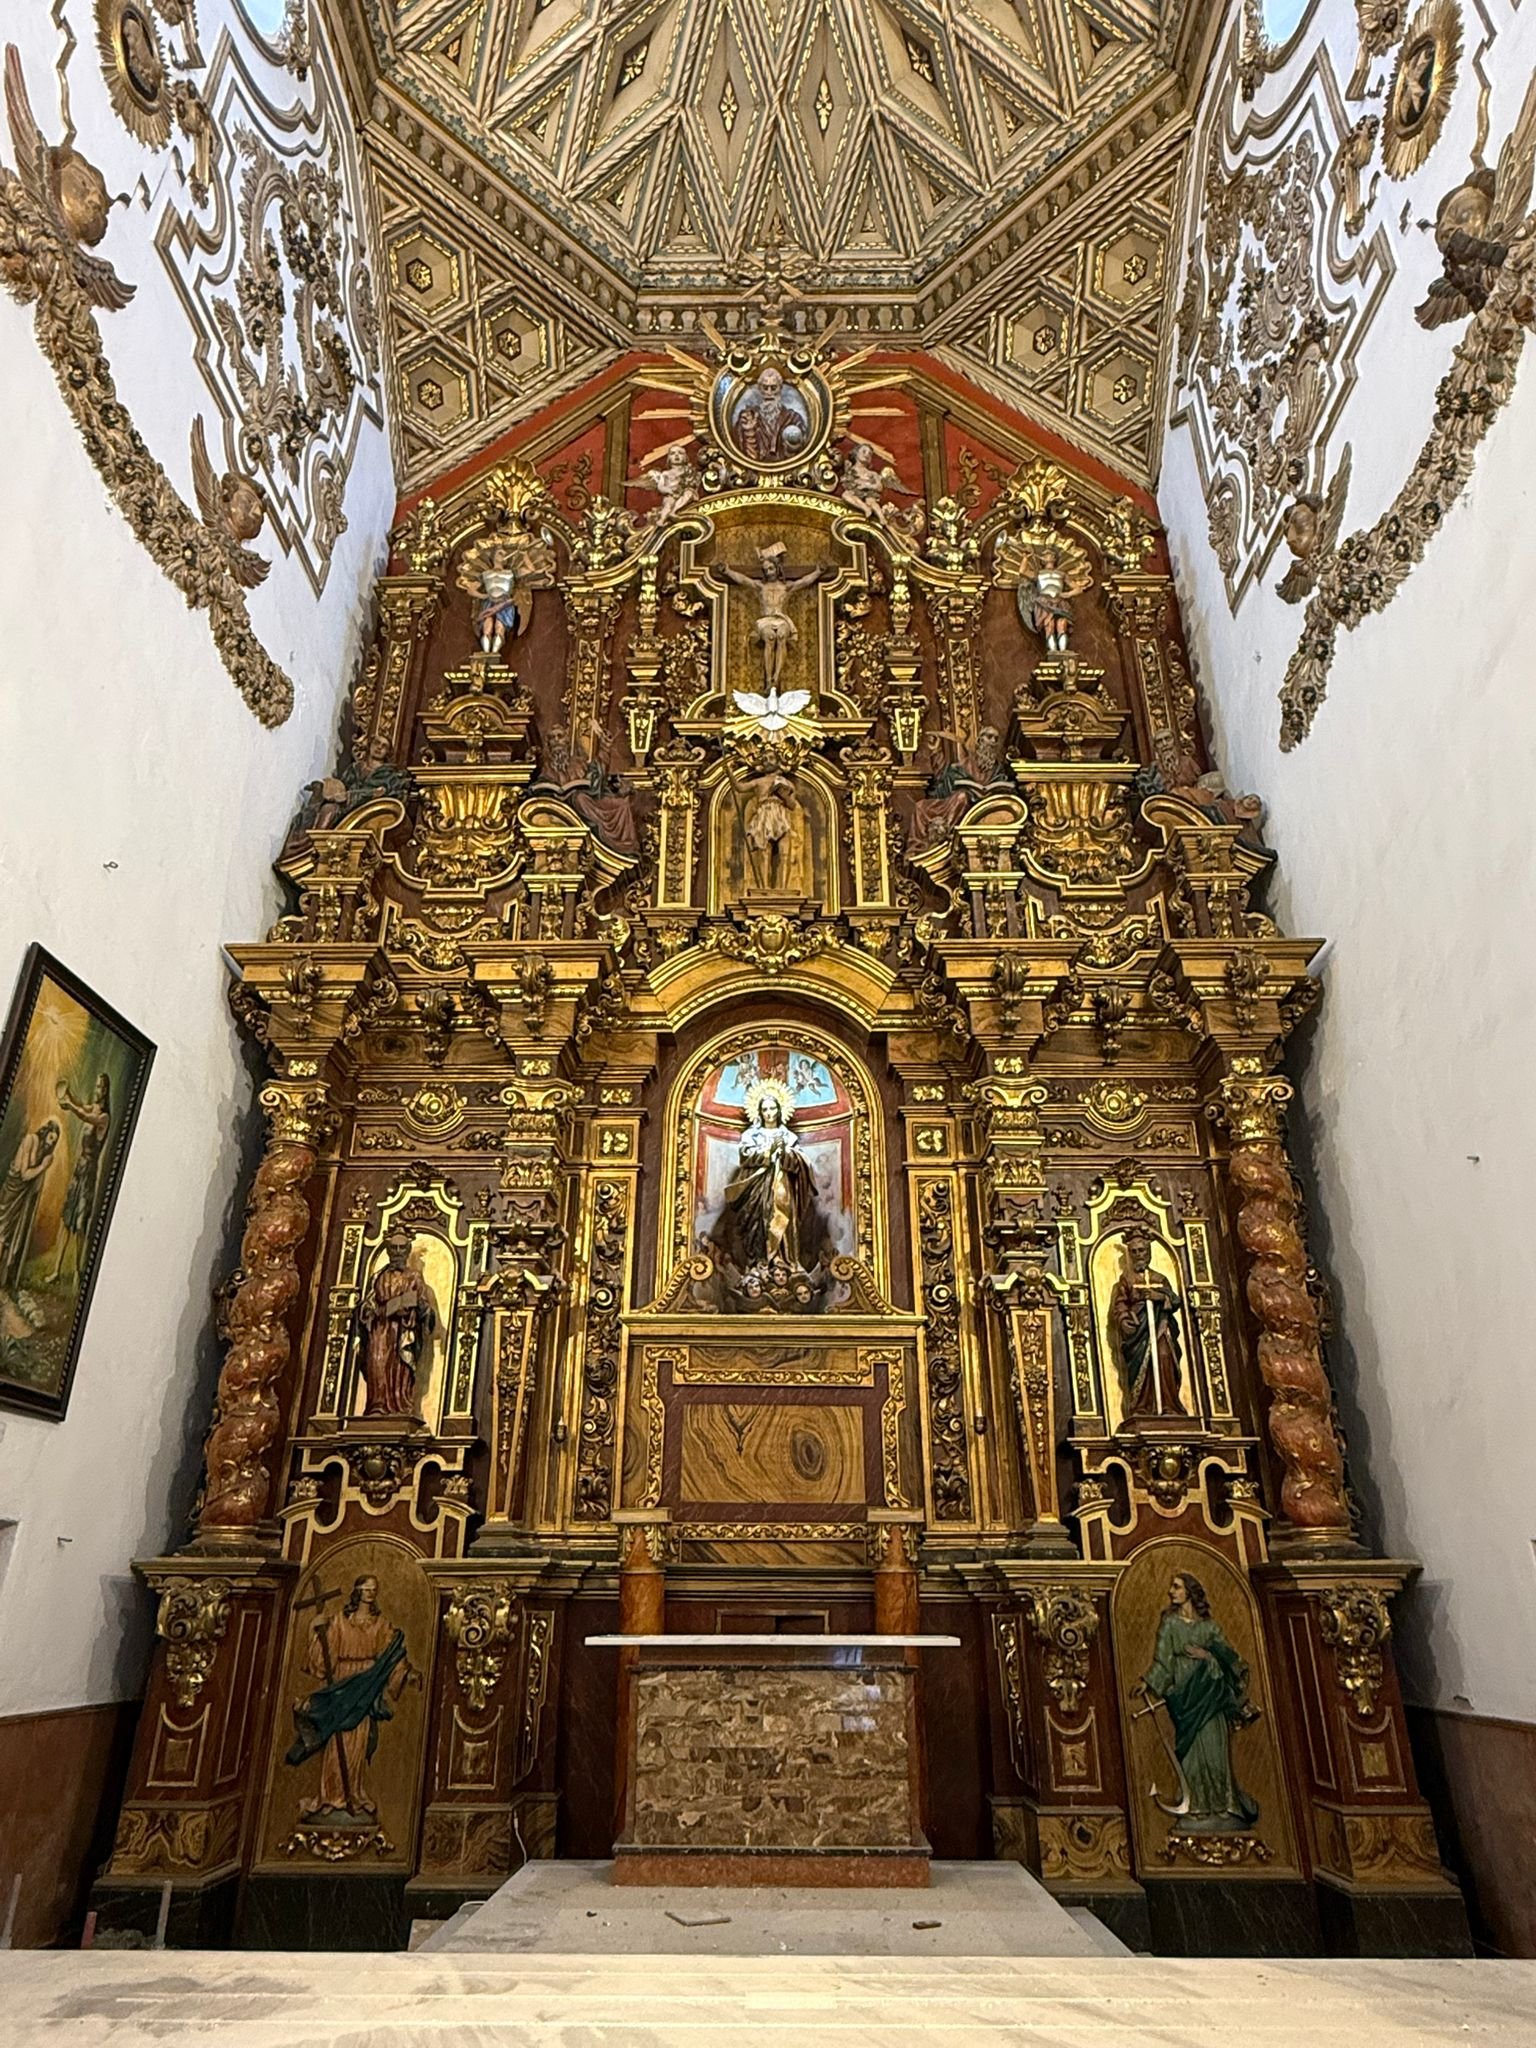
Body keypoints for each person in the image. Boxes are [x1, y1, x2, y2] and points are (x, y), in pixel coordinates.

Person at [1138, 1573, 1260, 1834]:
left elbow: (1231, 1658)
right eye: (1172, 1587)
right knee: (1192, 1756)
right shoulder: (1170, 1625)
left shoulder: (1209, 1628)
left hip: (1211, 1697)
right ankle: (1197, 1807)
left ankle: (1224, 1806)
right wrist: (1149, 1682)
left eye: (1177, 1587)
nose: (1171, 1592)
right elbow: (1163, 1660)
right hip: (1185, 1698)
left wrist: (1208, 1655)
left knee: (1216, 1755)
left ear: (1190, 1593)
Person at [286, 1576, 411, 1820]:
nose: (370, 1594)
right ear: (357, 1591)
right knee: (337, 1741)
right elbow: (322, 1659)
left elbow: (392, 1656)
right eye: (366, 1589)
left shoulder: (381, 1624)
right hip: (343, 1684)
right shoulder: (340, 1623)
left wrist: (404, 1673)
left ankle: (353, 1792)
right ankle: (331, 1796)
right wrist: (315, 1630)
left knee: (358, 1743)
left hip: (366, 1685)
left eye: (374, 1590)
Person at [708, 1086, 829, 1281]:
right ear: (759, 1112)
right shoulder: (751, 1135)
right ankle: (760, 1263)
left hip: (783, 1187)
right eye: (765, 1109)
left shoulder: (789, 1137)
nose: (769, 1113)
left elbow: (800, 1163)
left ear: (779, 1111)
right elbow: (745, 1156)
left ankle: (786, 1262)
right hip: (758, 1187)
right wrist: (767, 1152)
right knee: (761, 1222)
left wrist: (786, 1153)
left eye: (773, 1108)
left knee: (785, 1220)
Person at [356, 1228, 436, 1418]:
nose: (398, 1252)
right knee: (377, 1363)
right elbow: (367, 1304)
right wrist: (371, 1311)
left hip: (403, 1330)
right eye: (394, 1248)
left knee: (400, 1367)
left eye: (402, 1248)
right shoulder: (377, 1277)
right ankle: (377, 1406)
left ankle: (399, 1406)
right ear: (388, 1251)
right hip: (379, 1330)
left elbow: (423, 1305)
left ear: (407, 1251)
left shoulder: (414, 1277)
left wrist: (414, 1309)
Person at [1109, 1228, 1189, 1419]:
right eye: (1134, 1252)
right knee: (1141, 1365)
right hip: (1139, 1332)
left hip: (1160, 1327)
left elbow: (1175, 1300)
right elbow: (1119, 1305)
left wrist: (1158, 1296)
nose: (1138, 1255)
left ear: (1149, 1252)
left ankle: (1169, 1405)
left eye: (1142, 1250)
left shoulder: (1160, 1279)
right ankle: (1142, 1407)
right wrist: (1125, 1320)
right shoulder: (1126, 1280)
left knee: (1163, 1357)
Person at [52, 1074, 111, 1283]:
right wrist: (68, 1096)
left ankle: (77, 1270)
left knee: (79, 1223)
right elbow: (80, 1105)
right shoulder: (92, 1107)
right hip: (79, 1170)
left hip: (88, 1174)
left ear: (106, 1091)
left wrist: (70, 1106)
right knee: (66, 1220)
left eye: (101, 1088)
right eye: (96, 1086)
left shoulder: (103, 1117)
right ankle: (57, 1270)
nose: (97, 1091)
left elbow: (86, 1117)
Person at [0, 1119, 60, 1295]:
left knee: (8, 1234)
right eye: (50, 1137)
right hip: (12, 1190)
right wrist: (43, 1166)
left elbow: (35, 1185)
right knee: (2, 1232)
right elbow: (25, 1175)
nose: (51, 1142)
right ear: (44, 1132)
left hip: (21, 1197)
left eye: (54, 1141)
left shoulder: (44, 1151)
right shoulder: (30, 1140)